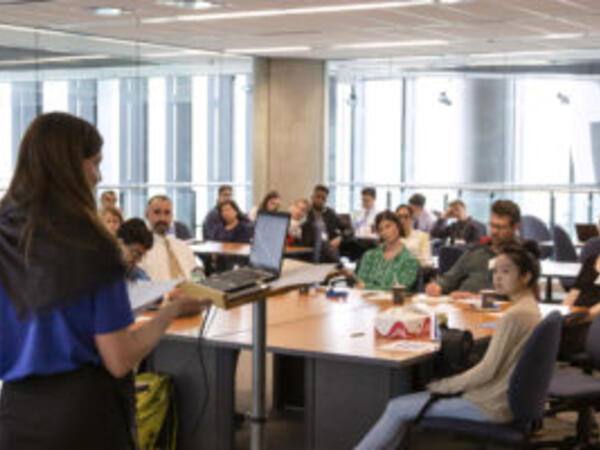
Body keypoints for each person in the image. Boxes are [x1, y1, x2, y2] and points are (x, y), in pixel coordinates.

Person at [0, 112, 208, 450]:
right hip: (84, 414)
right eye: (94, 163)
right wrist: (171, 312)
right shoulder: (92, 245)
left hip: (16, 411)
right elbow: (119, 357)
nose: (99, 176)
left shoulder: (5, 233)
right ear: (69, 166)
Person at [356, 241, 542, 450]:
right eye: (496, 271)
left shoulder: (515, 316)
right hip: (506, 399)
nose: (497, 277)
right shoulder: (530, 309)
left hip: (491, 405)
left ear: (525, 276)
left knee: (396, 407)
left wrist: (442, 387)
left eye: (506, 271)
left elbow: (487, 370)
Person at [425, 200, 521, 299]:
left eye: (500, 227)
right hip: (460, 308)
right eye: (492, 225)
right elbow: (450, 279)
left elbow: (521, 295)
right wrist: (437, 286)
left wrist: (477, 298)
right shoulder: (477, 250)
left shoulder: (522, 257)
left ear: (515, 227)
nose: (494, 232)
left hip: (496, 312)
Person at [139, 194, 198, 281]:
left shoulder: (182, 247)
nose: (162, 218)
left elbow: (197, 276)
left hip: (191, 293)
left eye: (167, 213)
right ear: (147, 215)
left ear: (172, 216)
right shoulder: (141, 249)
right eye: (157, 212)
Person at [356, 211, 419, 290]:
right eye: (380, 229)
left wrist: (368, 286)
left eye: (388, 226)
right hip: (365, 301)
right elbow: (360, 283)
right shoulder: (369, 255)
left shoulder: (409, 260)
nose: (385, 232)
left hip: (393, 302)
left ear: (398, 227)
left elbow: (399, 289)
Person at [560, 252, 600, 357]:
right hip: (576, 316)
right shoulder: (591, 259)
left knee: (551, 340)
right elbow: (574, 293)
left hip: (594, 322)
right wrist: (561, 314)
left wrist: (578, 318)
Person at [301, 184, 347, 263]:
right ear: (312, 197)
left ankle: (339, 267)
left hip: (328, 249)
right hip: (310, 248)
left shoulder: (330, 213)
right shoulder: (306, 212)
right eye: (318, 197)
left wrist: (340, 238)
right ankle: (340, 267)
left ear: (326, 200)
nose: (320, 200)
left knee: (330, 249)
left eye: (323, 198)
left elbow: (348, 229)